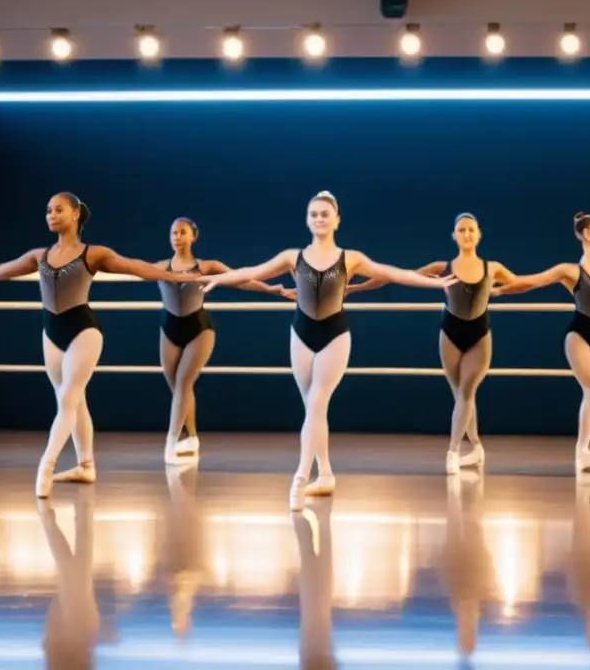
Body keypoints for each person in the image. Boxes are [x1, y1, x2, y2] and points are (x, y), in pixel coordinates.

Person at [196, 191, 457, 511]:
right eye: (314, 214)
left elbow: (394, 273)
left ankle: (300, 479)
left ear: (337, 220)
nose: (320, 218)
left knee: (317, 403)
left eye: (325, 214)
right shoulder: (293, 257)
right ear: (307, 220)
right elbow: (252, 270)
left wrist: (438, 284)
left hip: (335, 335)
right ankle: (327, 474)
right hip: (301, 335)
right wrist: (218, 280)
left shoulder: (351, 258)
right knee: (313, 410)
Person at [0, 192, 199, 497]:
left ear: (76, 214)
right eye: (48, 211)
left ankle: (46, 466)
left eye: (59, 210)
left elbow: (135, 266)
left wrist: (174, 277)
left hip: (84, 330)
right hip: (50, 333)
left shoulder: (93, 254)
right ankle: (86, 465)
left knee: (68, 397)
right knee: (73, 401)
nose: (51, 215)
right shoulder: (37, 255)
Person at [346, 213, 521, 474]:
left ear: (479, 234)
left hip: (479, 335)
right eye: (462, 230)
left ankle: (453, 452)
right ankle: (476, 447)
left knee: (466, 392)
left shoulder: (492, 268)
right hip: (450, 332)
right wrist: (353, 289)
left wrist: (499, 290)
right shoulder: (442, 267)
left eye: (471, 230)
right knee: (460, 394)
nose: (467, 234)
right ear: (454, 235)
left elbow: (522, 283)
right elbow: (398, 276)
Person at [492, 213, 590, 478]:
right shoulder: (570, 271)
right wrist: (496, 291)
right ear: (587, 234)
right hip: (580, 335)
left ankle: (582, 451)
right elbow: (531, 281)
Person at [154, 216, 282, 463]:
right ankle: (192, 437)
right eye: (173, 233)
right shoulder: (159, 267)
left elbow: (241, 279)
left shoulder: (207, 266)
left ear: (193, 236)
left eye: (182, 232)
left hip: (199, 329)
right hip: (169, 329)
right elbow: (130, 268)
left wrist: (269, 289)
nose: (177, 237)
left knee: (183, 384)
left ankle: (171, 444)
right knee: (179, 388)